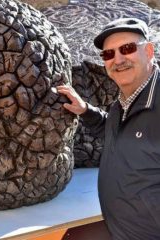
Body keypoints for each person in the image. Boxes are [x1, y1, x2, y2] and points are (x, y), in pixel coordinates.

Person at [57, 18, 160, 239]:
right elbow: (118, 134)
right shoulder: (126, 100)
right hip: (120, 227)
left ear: (149, 51)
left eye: (127, 48)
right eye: (109, 54)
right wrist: (85, 110)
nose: (118, 59)